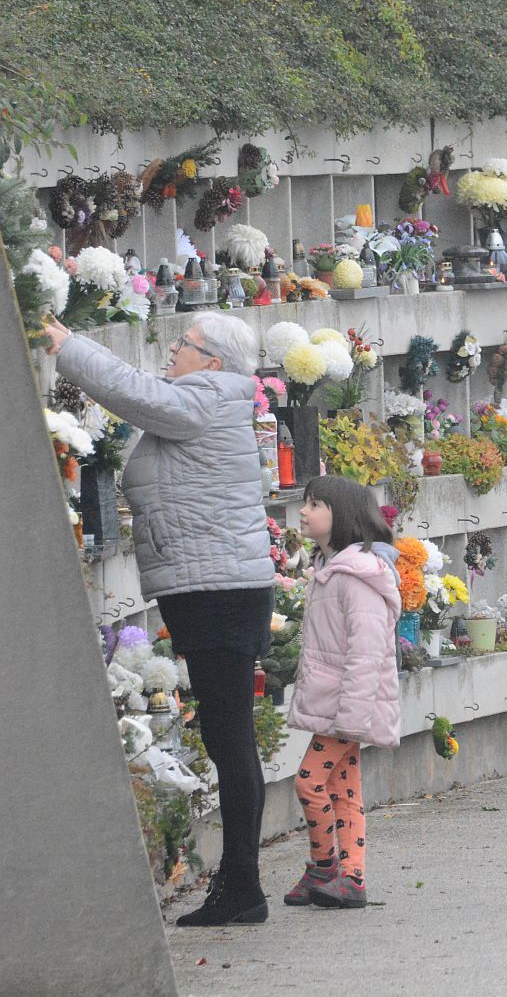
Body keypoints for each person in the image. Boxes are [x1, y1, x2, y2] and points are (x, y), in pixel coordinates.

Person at [44, 312, 276, 926]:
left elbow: (132, 392)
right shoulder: (209, 397)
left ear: (213, 361)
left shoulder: (206, 400)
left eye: (184, 345)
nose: (172, 351)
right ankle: (237, 878)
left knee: (230, 740)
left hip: (219, 592)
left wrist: (66, 344)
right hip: (215, 587)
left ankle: (243, 888)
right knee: (230, 738)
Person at [283, 475, 402, 910]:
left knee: (308, 782)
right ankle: (350, 877)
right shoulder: (330, 570)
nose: (303, 511)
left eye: (315, 504)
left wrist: (351, 720)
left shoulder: (357, 578)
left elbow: (367, 655)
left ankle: (324, 867)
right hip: (338, 705)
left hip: (346, 708)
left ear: (343, 516)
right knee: (341, 790)